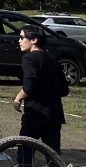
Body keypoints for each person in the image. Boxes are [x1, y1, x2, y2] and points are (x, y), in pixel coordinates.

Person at [13, 24, 67, 154]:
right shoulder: (52, 57)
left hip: (35, 114)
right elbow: (64, 89)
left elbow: (29, 86)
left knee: (24, 152)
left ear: (34, 39)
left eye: (22, 37)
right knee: (53, 156)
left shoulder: (29, 58)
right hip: (54, 115)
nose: (19, 41)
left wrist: (18, 98)